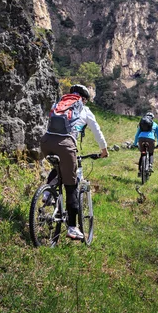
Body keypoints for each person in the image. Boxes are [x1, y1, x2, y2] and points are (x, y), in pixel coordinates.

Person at [40, 84, 108, 240]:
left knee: (58, 168)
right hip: (66, 145)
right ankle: (72, 227)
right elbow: (97, 131)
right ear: (84, 99)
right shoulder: (84, 109)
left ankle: (47, 193)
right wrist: (104, 150)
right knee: (72, 185)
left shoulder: (59, 105)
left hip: (46, 142)